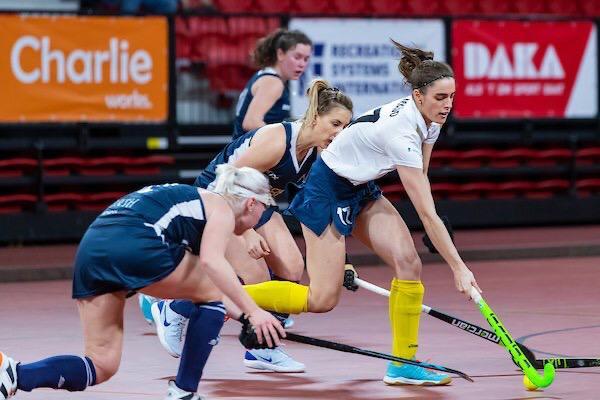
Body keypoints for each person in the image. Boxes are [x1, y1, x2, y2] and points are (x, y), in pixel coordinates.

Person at [239, 41, 482, 386]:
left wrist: (434, 219)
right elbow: (424, 212)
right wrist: (459, 267)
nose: (448, 105)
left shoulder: (431, 119)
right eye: (441, 98)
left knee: (409, 262)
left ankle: (401, 364)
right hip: (326, 189)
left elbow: (421, 182)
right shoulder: (400, 133)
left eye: (452, 97)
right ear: (417, 96)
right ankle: (219, 297)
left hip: (362, 187)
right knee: (322, 299)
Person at [0, 165, 285, 400]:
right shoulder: (220, 208)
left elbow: (211, 294)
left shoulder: (193, 200)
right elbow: (213, 266)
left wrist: (245, 319)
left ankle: (16, 374)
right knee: (213, 288)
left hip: (93, 248)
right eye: (265, 209)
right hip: (136, 242)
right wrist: (254, 312)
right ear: (251, 203)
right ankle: (184, 391)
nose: (261, 219)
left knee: (102, 364)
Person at [149, 78, 353, 373]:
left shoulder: (316, 153)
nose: (340, 133)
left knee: (293, 268)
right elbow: (225, 182)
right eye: (335, 124)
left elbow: (320, 204)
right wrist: (246, 233)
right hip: (217, 200)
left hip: (255, 205)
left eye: (345, 127)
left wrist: (342, 260)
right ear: (314, 116)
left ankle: (260, 350)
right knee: (255, 275)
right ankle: (174, 308)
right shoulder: (277, 140)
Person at [232, 28, 312, 139]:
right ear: (280, 54)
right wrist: (287, 140)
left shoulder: (270, 78)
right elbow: (251, 123)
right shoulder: (273, 82)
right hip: (245, 152)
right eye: (297, 57)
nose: (302, 64)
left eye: (306, 59)